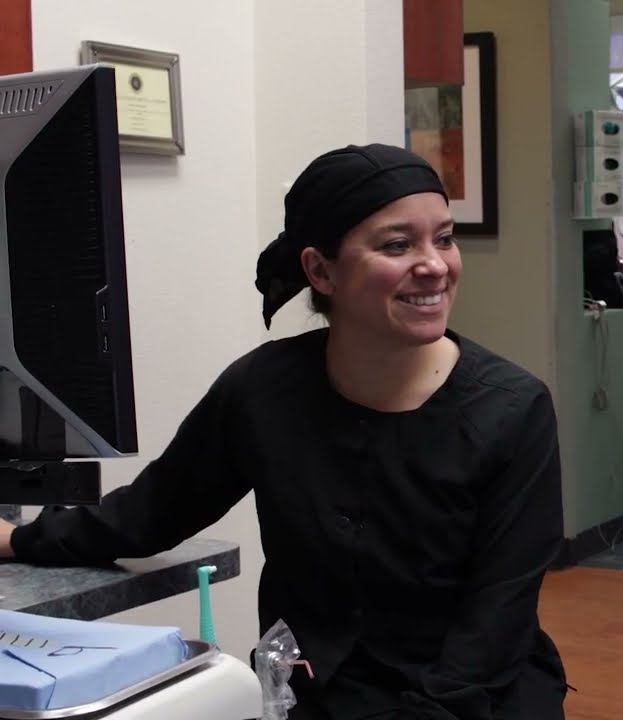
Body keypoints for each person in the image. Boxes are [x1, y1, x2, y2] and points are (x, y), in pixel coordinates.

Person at [0, 144, 568, 720]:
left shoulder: (513, 410)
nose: (436, 265)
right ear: (320, 269)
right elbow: (149, 514)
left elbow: (495, 624)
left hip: (472, 703)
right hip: (310, 697)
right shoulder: (263, 389)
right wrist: (16, 540)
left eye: (443, 238)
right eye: (398, 244)